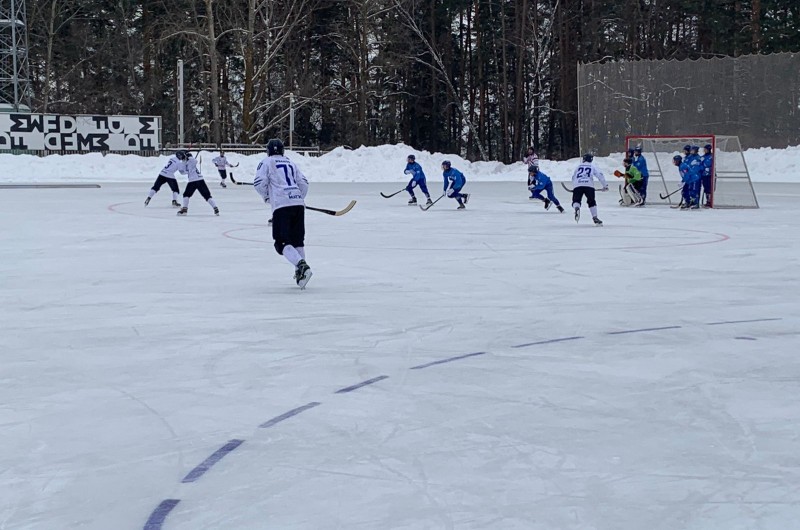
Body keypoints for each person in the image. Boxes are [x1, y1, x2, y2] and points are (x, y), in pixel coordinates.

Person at [254, 138, 312, 288]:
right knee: (297, 241)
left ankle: (301, 265)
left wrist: (268, 197)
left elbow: (259, 183)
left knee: (281, 243)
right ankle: (301, 274)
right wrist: (298, 197)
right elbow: (303, 183)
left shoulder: (266, 162)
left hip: (281, 206)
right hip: (297, 204)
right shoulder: (291, 162)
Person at [571, 153, 608, 225]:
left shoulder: (578, 166)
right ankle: (595, 217)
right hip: (589, 185)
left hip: (578, 185)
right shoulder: (592, 166)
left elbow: (573, 177)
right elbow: (600, 175)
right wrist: (605, 185)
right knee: (591, 201)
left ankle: (576, 208)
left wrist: (575, 187)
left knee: (576, 200)